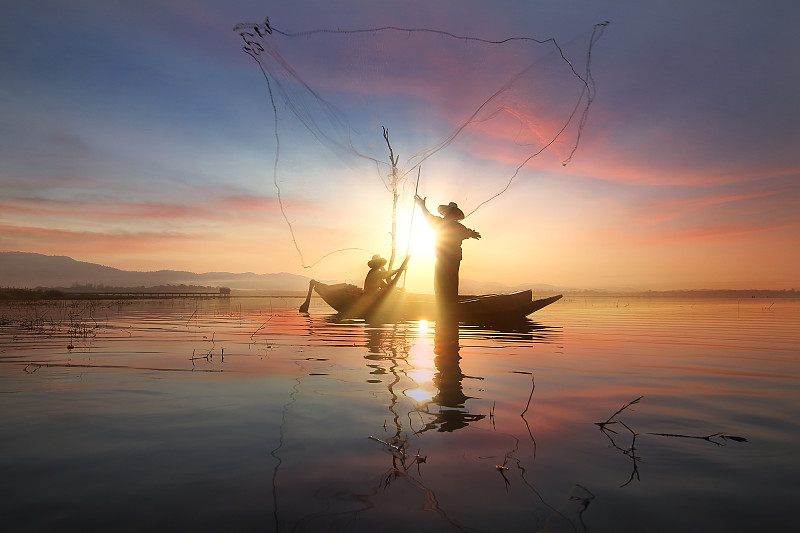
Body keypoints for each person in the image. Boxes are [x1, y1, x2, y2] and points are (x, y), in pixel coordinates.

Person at [413, 195, 481, 307]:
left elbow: (466, 233)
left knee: (450, 285)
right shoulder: (439, 222)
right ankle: (445, 306)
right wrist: (422, 206)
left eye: (450, 213)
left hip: (452, 260)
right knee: (442, 285)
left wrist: (471, 234)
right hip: (442, 260)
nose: (448, 214)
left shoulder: (458, 227)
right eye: (448, 212)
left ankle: (449, 306)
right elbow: (427, 215)